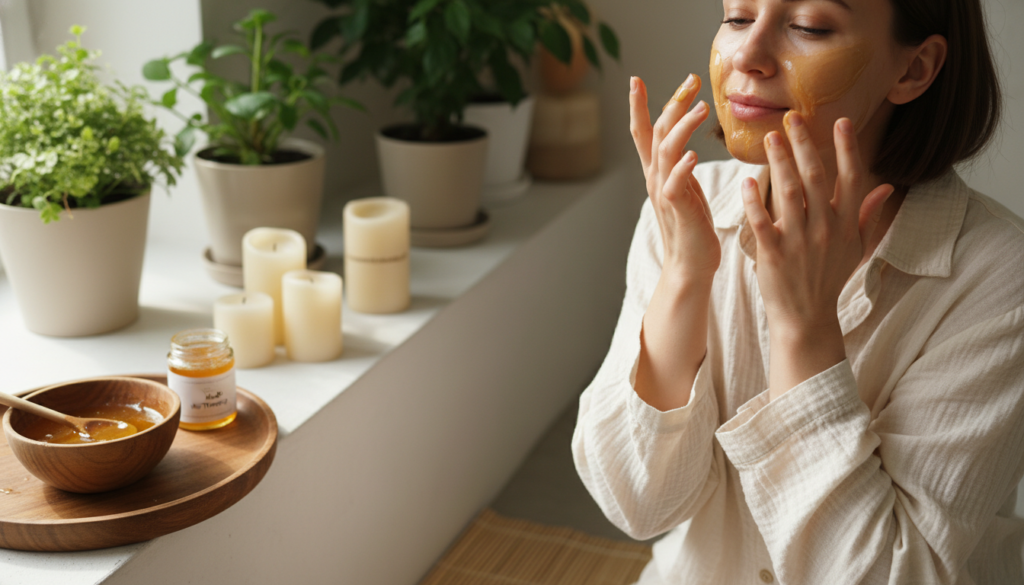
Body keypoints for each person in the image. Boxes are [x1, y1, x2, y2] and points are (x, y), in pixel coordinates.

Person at [572, 0, 1023, 583]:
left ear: (913, 70)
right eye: (736, 17)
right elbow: (636, 505)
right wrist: (685, 275)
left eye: (809, 26)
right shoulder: (690, 208)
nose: (748, 55)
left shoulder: (1000, 279)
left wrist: (804, 331)